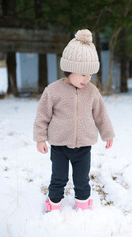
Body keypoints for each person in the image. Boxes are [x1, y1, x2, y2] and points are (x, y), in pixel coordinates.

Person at [33, 29, 115, 212]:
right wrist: (40, 138)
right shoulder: (53, 91)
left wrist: (107, 134)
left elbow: (101, 114)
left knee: (82, 179)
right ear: (69, 69)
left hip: (84, 146)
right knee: (58, 177)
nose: (87, 79)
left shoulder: (92, 92)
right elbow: (42, 116)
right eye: (82, 74)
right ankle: (54, 204)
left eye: (90, 74)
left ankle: (83, 205)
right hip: (59, 146)